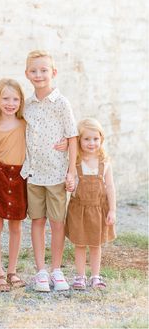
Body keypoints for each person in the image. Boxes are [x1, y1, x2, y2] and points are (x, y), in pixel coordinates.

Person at [20, 50, 78, 292]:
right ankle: (41, 271)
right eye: (34, 71)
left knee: (56, 222)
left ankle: (56, 269)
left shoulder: (62, 103)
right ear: (27, 74)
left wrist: (71, 171)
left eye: (44, 70)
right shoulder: (27, 105)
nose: (39, 75)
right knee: (37, 221)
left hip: (56, 174)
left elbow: (72, 136)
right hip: (34, 174)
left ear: (53, 73)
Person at [0, 78, 28, 292]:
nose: (10, 103)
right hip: (0, 178)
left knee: (16, 226)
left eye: (15, 99)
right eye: (5, 98)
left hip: (20, 177)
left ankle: (12, 270)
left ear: (21, 101)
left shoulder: (24, 124)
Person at [65, 118, 116, 290]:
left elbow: (110, 187)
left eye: (95, 138)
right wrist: (69, 185)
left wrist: (113, 210)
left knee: (95, 244)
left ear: (101, 138)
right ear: (79, 140)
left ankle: (95, 276)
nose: (91, 143)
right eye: (87, 139)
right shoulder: (75, 162)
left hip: (98, 210)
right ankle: (80, 276)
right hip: (79, 209)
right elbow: (70, 185)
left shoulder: (105, 162)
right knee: (79, 244)